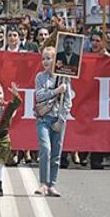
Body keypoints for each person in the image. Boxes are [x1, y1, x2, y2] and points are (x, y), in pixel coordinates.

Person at [34, 46, 73, 196]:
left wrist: (61, 120)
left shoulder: (64, 78)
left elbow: (68, 101)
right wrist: (56, 91)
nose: (45, 61)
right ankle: (43, 183)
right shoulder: (40, 77)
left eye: (48, 58)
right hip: (43, 118)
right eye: (43, 58)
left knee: (56, 153)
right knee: (45, 149)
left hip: (58, 119)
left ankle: (52, 184)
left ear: (55, 60)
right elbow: (39, 95)